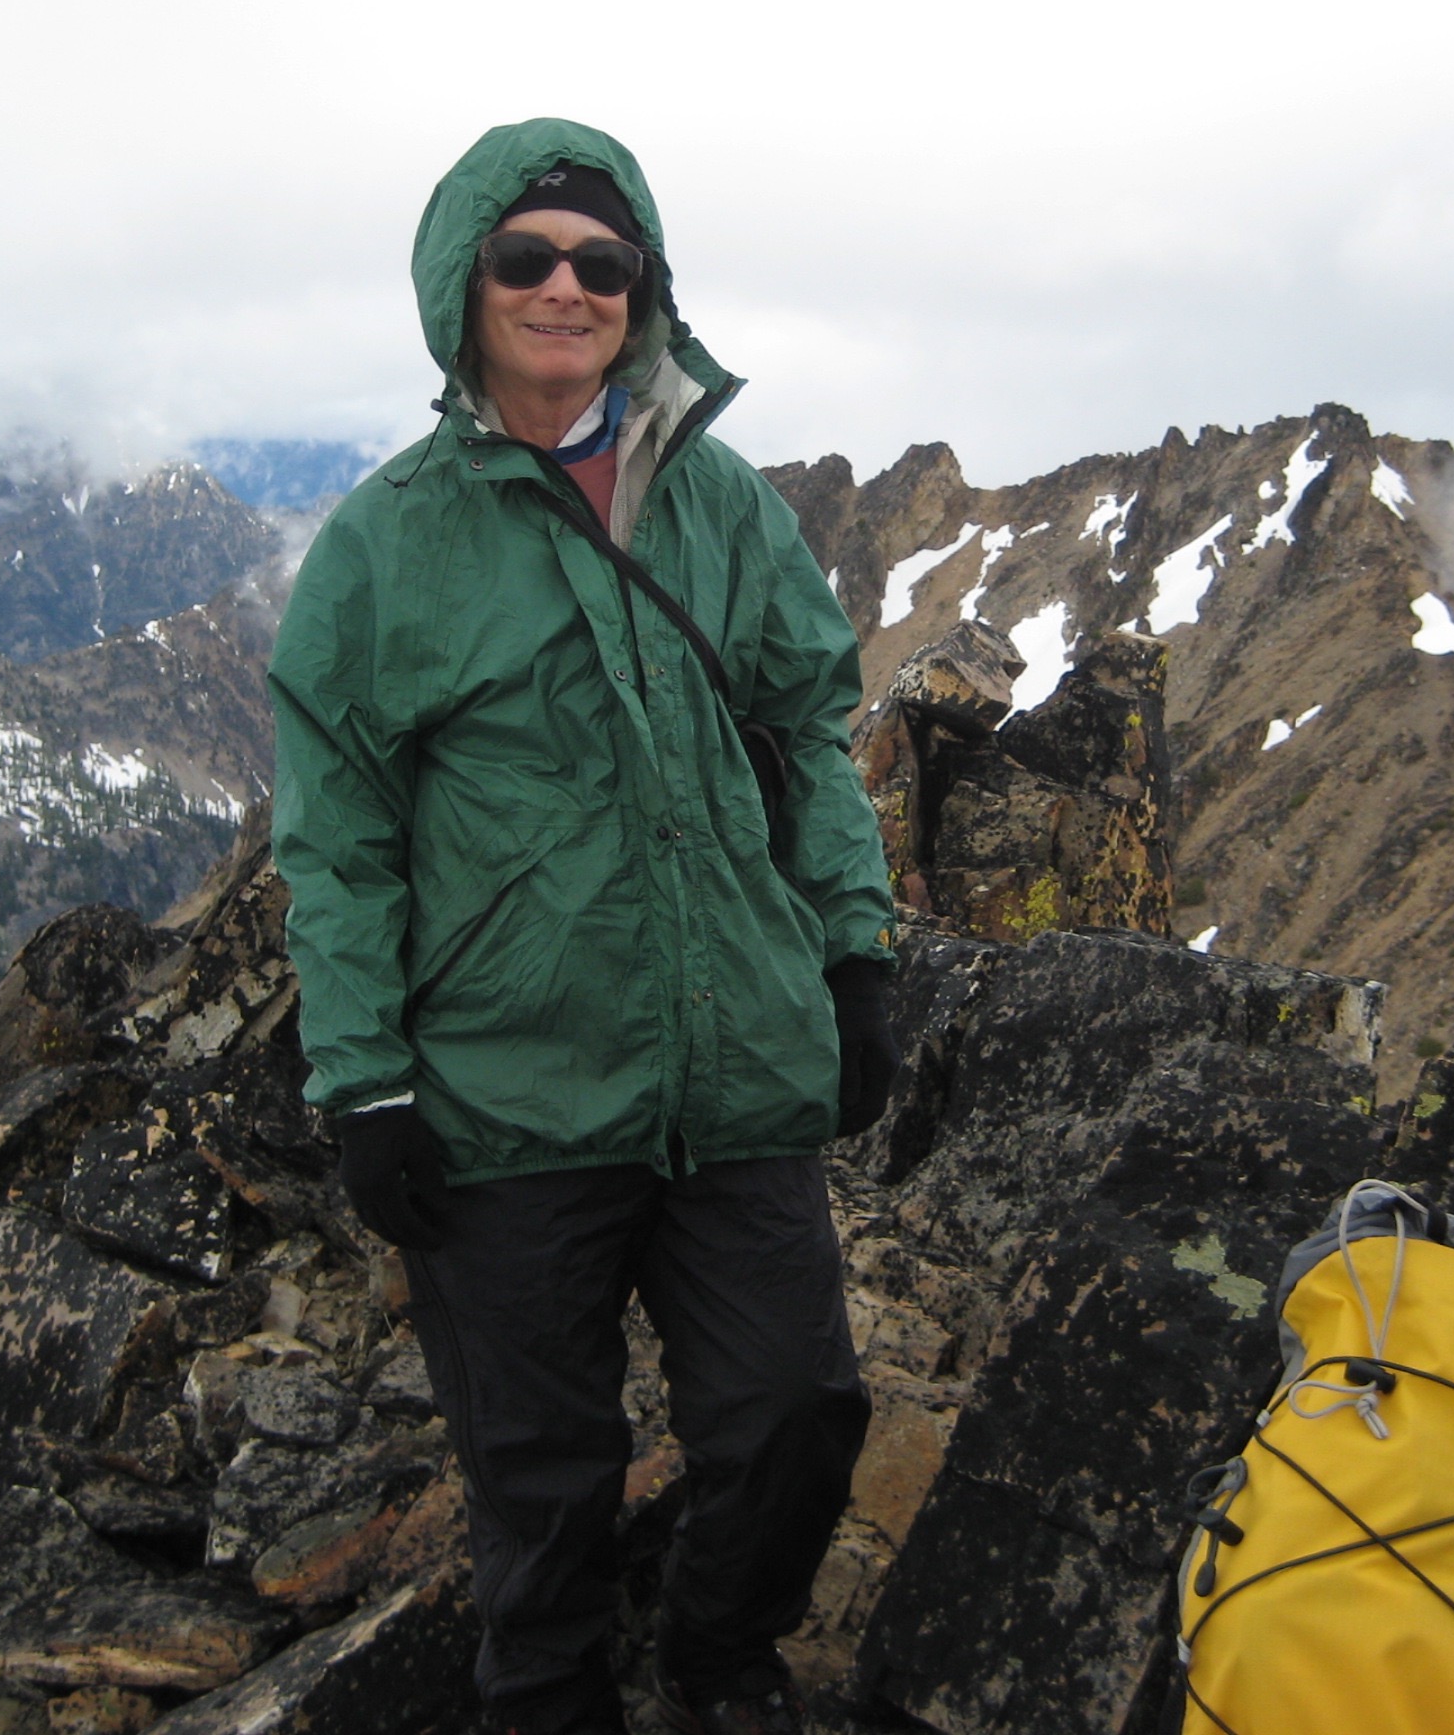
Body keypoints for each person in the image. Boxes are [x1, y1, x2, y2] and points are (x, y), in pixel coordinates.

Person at [268, 116, 902, 1735]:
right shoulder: (388, 544)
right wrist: (366, 1080)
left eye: (602, 263)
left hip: (736, 1061)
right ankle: (550, 1699)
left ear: (645, 292)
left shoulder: (727, 511)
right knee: (541, 1480)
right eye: (527, 257)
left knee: (797, 1411)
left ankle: (719, 1657)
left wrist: (852, 954)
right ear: (464, 287)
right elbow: (338, 838)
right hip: (509, 1094)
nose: (568, 287)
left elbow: (809, 735)